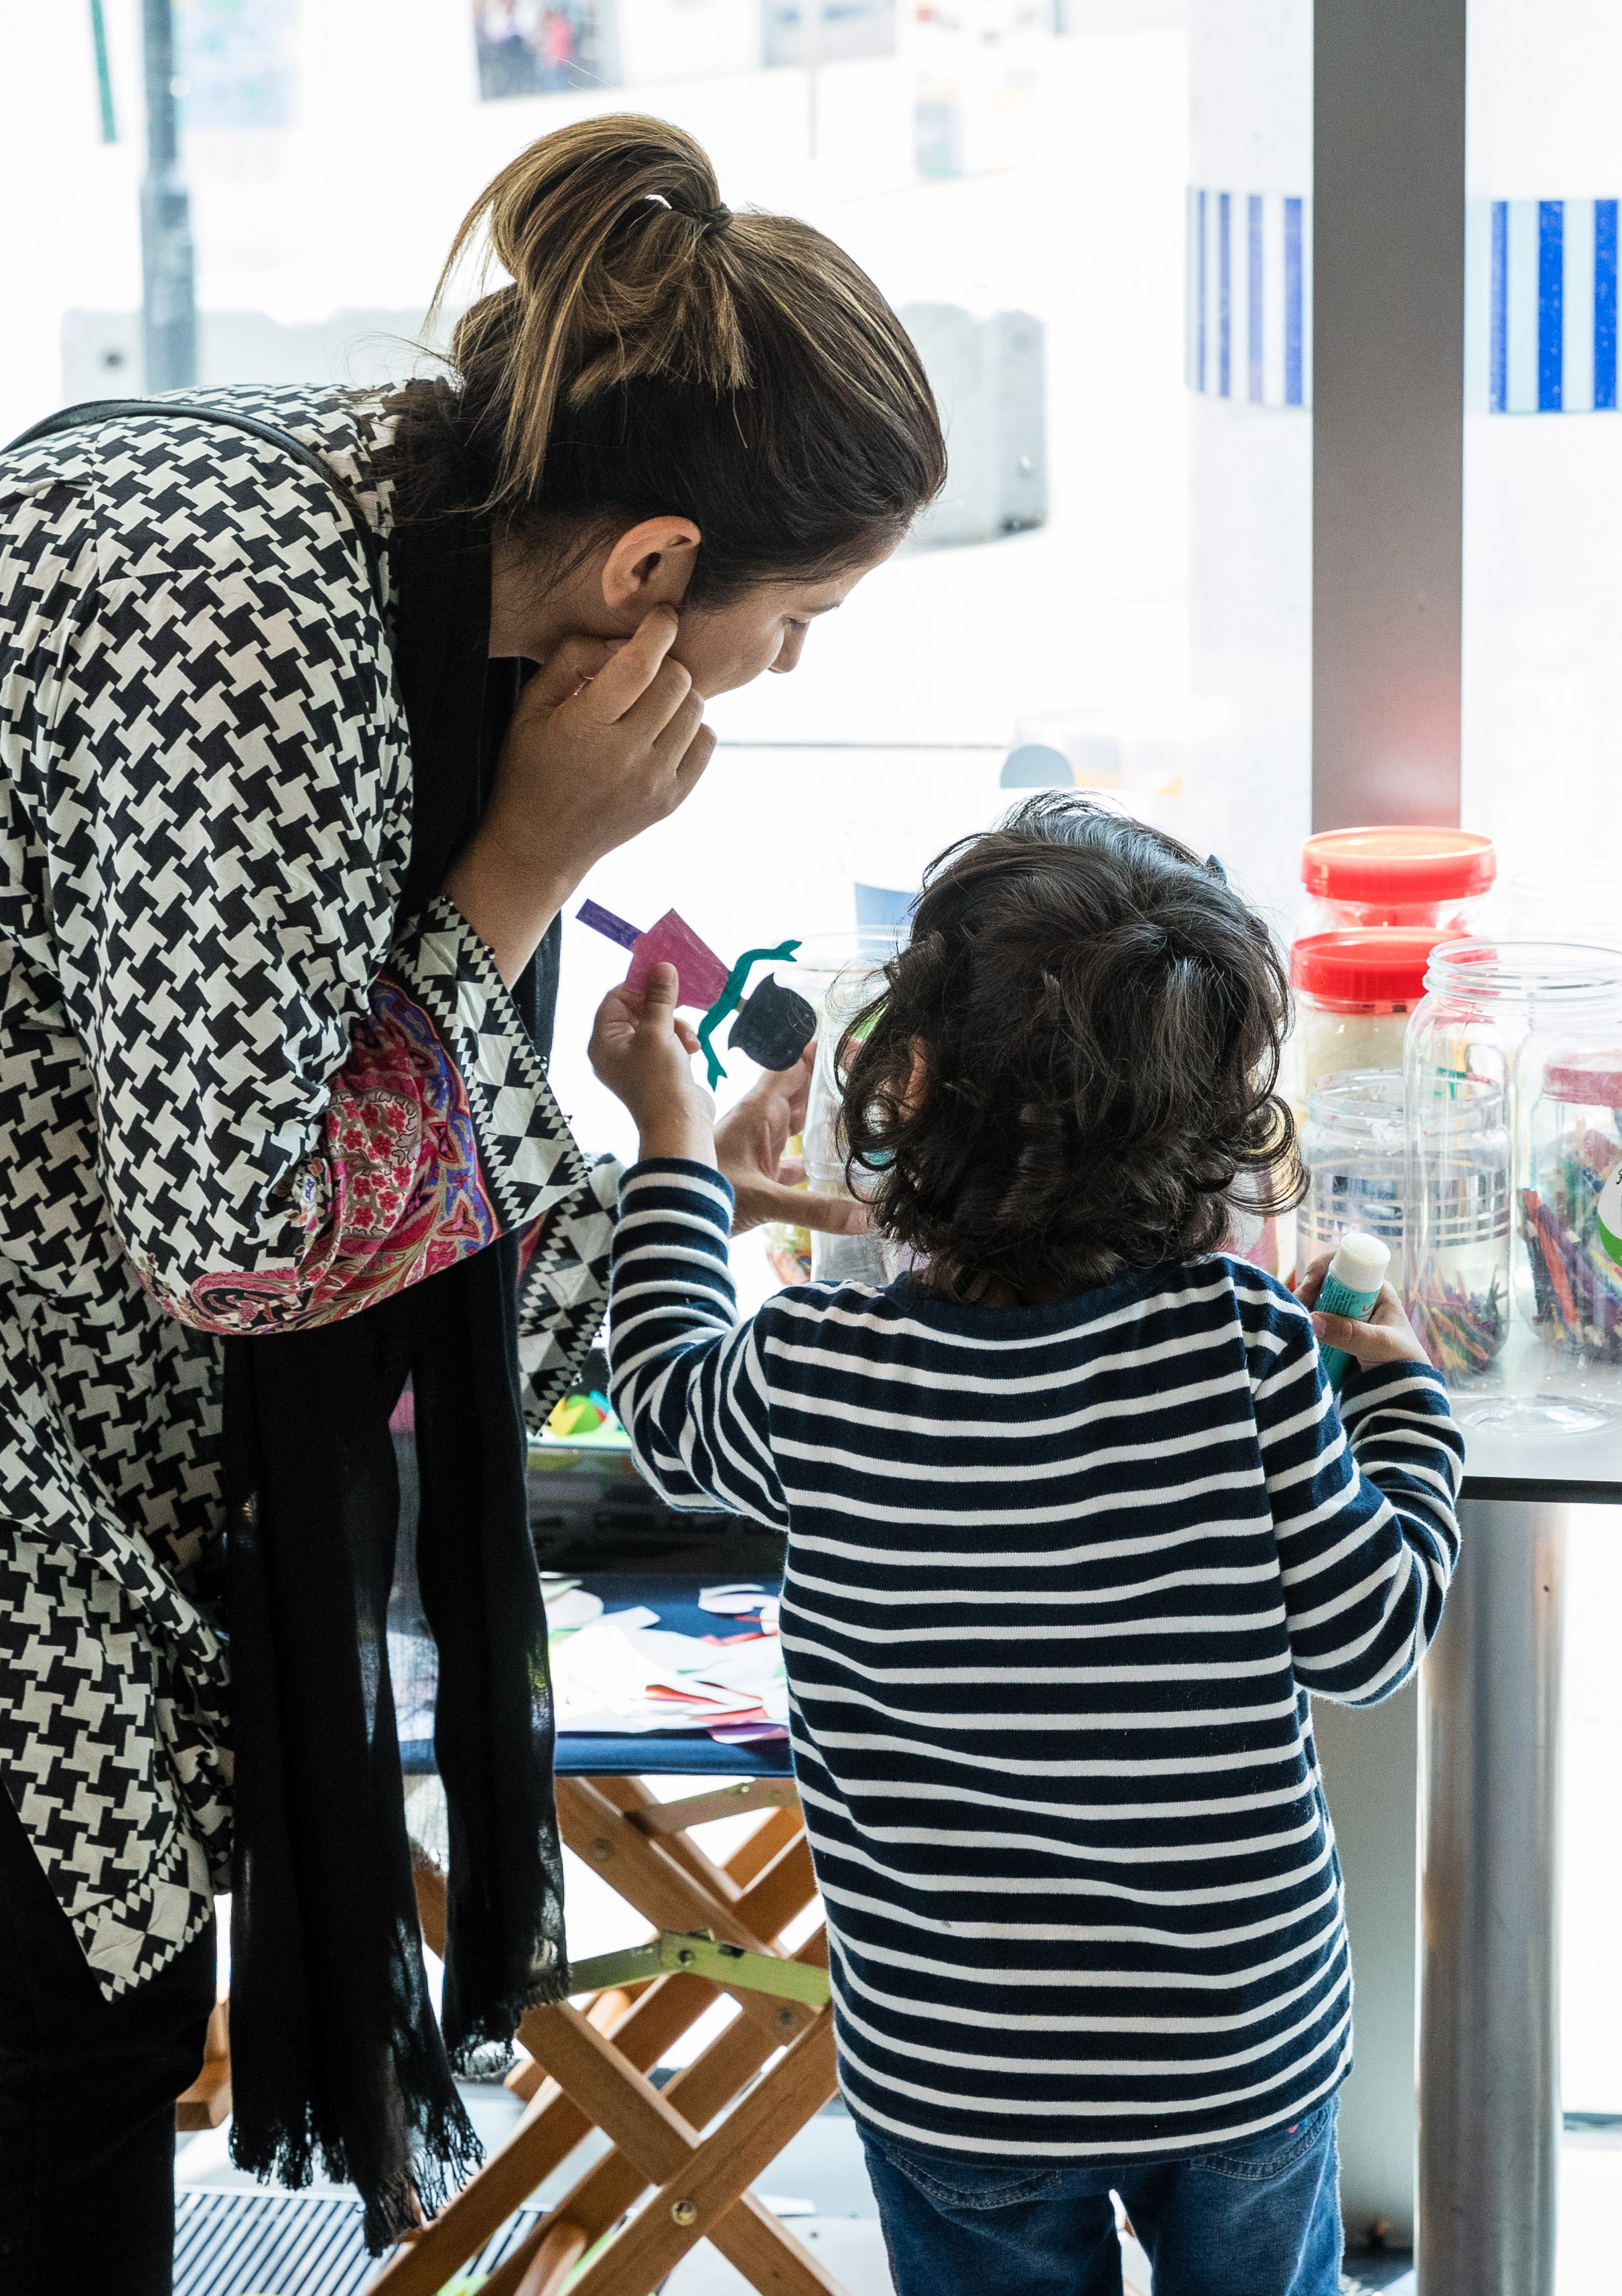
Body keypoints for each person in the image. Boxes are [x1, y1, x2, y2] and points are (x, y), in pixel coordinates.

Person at [0, 115, 941, 2293]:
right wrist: (537, 861)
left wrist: (641, 1177)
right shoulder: (258, 640)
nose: (780, 676)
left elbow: (295, 1071)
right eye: (792, 619)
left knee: (36, 1957)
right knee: (82, 1985)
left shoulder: (397, 517)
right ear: (648, 571)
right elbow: (244, 1228)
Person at [587, 795, 1463, 2296]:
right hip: (1232, 2047)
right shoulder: (1241, 1353)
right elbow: (1372, 1640)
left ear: (905, 1082)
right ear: (1215, 1131)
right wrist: (1406, 1412)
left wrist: (673, 1142)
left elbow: (663, 1398)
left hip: (960, 2069)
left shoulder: (816, 1368)